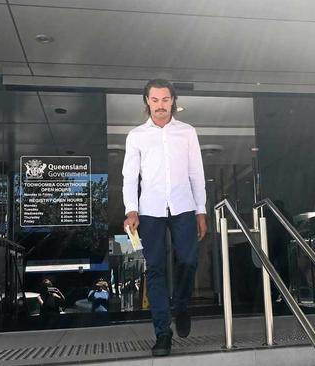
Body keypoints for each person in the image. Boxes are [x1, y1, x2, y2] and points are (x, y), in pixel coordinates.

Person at [122, 79, 207, 356]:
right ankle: (162, 333)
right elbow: (129, 176)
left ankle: (181, 304)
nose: (160, 105)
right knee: (155, 270)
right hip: (150, 211)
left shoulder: (187, 132)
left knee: (189, 259)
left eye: (165, 99)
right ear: (147, 101)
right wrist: (130, 209)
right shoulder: (136, 136)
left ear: (173, 101)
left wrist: (201, 210)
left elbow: (197, 173)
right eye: (155, 100)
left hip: (183, 206)